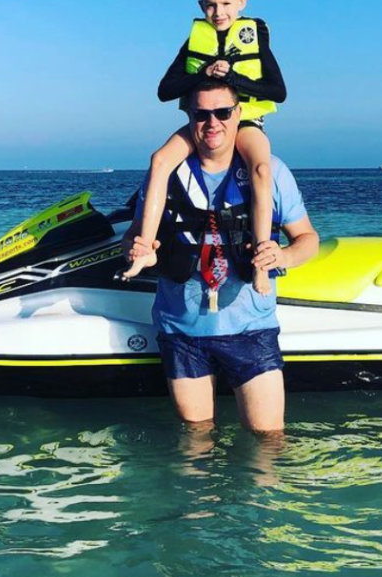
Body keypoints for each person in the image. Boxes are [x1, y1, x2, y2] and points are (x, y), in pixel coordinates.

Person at [122, 80, 319, 433]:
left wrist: (283, 256)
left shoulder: (271, 173)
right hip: (181, 331)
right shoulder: (164, 175)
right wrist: (138, 250)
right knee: (196, 444)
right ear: (188, 117)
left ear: (239, 115)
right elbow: (133, 237)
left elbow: (308, 240)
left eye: (223, 113)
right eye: (201, 114)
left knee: (268, 440)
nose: (212, 123)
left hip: (250, 330)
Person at [120, 0, 287, 298]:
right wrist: (204, 73)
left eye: (226, 4)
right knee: (160, 160)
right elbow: (165, 90)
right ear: (200, 6)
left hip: (244, 122)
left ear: (241, 2)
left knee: (261, 167)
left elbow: (278, 91)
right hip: (203, 121)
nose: (218, 12)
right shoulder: (194, 42)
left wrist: (233, 81)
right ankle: (146, 250)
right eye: (211, 5)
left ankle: (260, 261)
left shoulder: (256, 38)